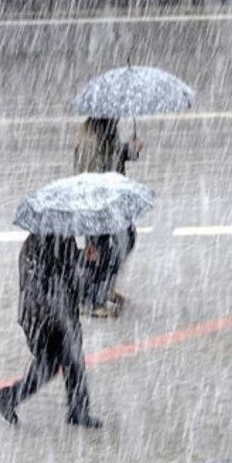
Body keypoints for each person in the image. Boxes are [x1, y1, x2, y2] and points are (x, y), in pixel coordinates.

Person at [0, 234, 102, 428]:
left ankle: (76, 409)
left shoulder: (54, 240)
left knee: (63, 362)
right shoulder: (43, 245)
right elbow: (59, 281)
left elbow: (68, 274)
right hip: (47, 317)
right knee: (61, 361)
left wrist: (85, 259)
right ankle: (11, 397)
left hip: (51, 315)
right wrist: (84, 262)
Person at [74, 117, 143, 317]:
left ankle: (103, 287)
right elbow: (95, 174)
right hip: (98, 204)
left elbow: (113, 155)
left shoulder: (106, 128)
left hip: (109, 201)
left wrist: (130, 150)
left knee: (121, 240)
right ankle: (91, 300)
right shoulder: (92, 138)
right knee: (102, 249)